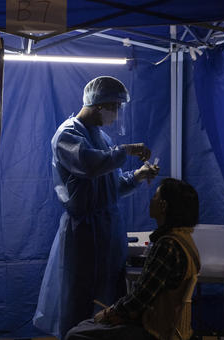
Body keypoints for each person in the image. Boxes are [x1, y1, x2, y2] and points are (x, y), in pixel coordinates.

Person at [33, 76, 160, 339]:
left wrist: (137, 176)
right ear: (99, 104)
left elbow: (110, 186)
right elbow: (91, 165)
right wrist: (127, 149)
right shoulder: (68, 134)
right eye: (114, 107)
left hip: (107, 229)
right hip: (83, 232)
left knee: (110, 296)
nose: (116, 114)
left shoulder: (98, 136)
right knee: (80, 296)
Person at [65, 178, 201, 340]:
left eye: (155, 197)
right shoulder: (185, 239)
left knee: (75, 334)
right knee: (85, 326)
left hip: (155, 332)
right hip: (171, 327)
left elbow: (139, 298)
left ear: (164, 206)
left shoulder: (168, 246)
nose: (151, 201)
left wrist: (110, 312)